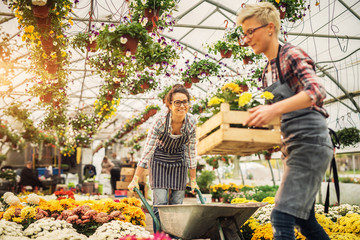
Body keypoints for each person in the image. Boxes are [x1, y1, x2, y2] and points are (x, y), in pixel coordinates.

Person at [237, 3, 333, 240]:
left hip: (310, 143)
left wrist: (274, 109)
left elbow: (317, 91)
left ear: (270, 28)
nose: (246, 39)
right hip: (293, 145)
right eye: (244, 33)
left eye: (251, 31)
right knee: (303, 219)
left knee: (281, 217)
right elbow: (277, 116)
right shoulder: (266, 71)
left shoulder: (291, 54)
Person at [128, 84, 199, 234]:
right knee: (160, 202)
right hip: (159, 160)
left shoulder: (192, 122)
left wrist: (193, 180)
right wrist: (135, 178)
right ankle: (160, 236)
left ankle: (174, 236)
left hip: (179, 161)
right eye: (177, 102)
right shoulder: (160, 121)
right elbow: (148, 150)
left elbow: (191, 152)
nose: (181, 105)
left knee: (176, 204)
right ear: (169, 104)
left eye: (185, 101)